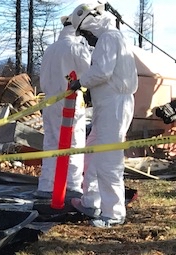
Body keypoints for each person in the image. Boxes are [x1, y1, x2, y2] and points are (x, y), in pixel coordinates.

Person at [68, 2, 138, 228]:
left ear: (92, 23)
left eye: (86, 34)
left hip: (113, 106)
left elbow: (102, 72)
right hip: (107, 104)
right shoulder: (113, 38)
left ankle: (114, 213)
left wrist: (82, 82)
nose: (88, 40)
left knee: (108, 159)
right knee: (94, 152)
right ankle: (92, 201)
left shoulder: (109, 38)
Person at [35, 14, 91, 200]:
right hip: (71, 100)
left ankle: (46, 186)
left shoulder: (51, 49)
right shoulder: (77, 48)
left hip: (50, 101)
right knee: (74, 142)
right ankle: (73, 185)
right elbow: (89, 73)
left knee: (51, 141)